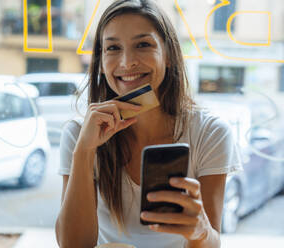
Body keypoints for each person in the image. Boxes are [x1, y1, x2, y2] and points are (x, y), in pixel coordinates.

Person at [55, 0, 242, 247]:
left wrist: (201, 232)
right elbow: (73, 244)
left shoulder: (210, 133)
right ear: (100, 63)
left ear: (169, 57)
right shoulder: (79, 134)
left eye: (143, 45)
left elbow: (210, 242)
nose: (127, 62)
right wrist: (84, 152)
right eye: (112, 48)